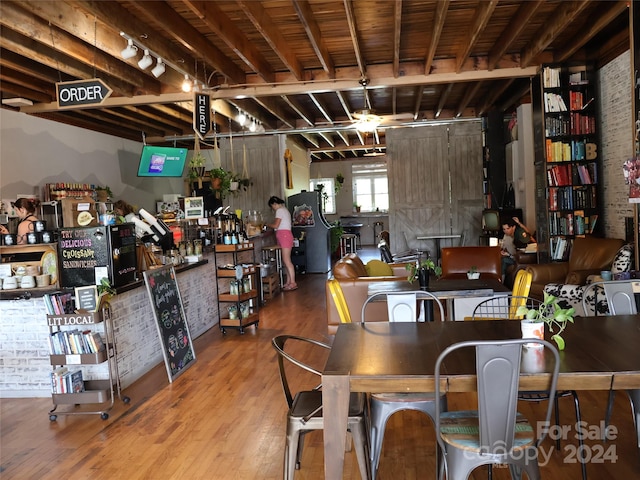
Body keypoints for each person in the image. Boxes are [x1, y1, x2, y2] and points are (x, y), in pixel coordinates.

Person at [267, 196, 297, 291]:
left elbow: (276, 225)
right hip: (284, 235)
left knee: (287, 260)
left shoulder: (280, 211)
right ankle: (289, 282)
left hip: (284, 235)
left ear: (274, 204)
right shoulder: (285, 210)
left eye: (272, 206)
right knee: (286, 260)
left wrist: (266, 224)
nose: (273, 208)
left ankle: (293, 282)